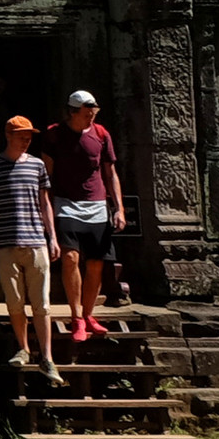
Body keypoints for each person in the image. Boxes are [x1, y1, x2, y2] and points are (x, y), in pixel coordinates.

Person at [44, 87, 127, 344]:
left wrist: (119, 208)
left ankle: (89, 314)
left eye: (93, 112)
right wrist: (43, 205)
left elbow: (110, 173)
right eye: (87, 113)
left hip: (96, 205)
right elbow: (46, 173)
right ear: (73, 112)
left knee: (96, 264)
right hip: (66, 203)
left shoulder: (101, 134)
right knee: (70, 258)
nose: (91, 117)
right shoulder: (55, 134)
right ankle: (76, 316)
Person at [0, 114, 57, 371]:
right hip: (6, 243)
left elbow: (45, 203)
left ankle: (47, 357)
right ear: (8, 135)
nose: (26, 141)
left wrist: (53, 237)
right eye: (22, 136)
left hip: (36, 240)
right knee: (14, 301)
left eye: (29, 137)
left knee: (42, 304)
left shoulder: (37, 165)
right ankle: (23, 348)